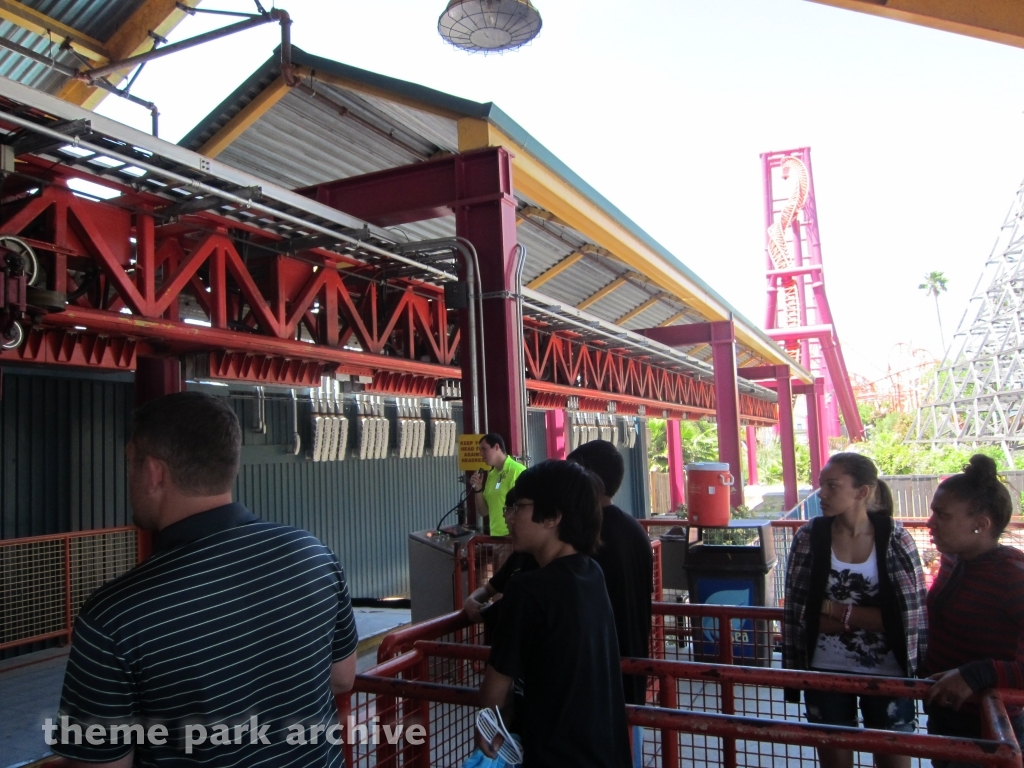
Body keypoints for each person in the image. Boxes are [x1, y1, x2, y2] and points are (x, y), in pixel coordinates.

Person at [51, 392, 358, 767]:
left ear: (153, 473)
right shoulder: (314, 555)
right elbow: (342, 678)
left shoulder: (114, 619)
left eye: (130, 462)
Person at [476, 460, 632, 768]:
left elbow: (495, 694)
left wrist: (491, 730)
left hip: (553, 755)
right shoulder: (592, 573)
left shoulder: (528, 589)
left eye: (518, 507)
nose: (510, 518)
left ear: (552, 517)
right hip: (604, 752)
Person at [783, 452, 926, 768]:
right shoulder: (809, 537)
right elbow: (799, 612)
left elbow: (909, 618)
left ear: (862, 492)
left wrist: (836, 612)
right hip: (825, 668)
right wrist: (867, 618)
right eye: (821, 485)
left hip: (889, 672)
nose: (822, 493)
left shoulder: (896, 539)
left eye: (833, 486)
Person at [921, 454, 1024, 765]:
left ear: (981, 525)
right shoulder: (954, 561)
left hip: (993, 728)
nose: (930, 523)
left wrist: (978, 674)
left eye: (943, 515)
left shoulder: (1013, 576)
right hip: (946, 717)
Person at [567, 439, 653, 707]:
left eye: (574, 475)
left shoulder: (588, 537)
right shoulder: (634, 530)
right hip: (632, 675)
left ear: (591, 479)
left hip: (600, 686)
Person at [469, 433, 526, 537]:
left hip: (513, 536)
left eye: (484, 449)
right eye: (480, 450)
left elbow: (525, 509)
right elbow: (484, 511)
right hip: (495, 536)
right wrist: (478, 489)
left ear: (496, 447)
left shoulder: (517, 470)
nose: (481, 454)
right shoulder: (492, 475)